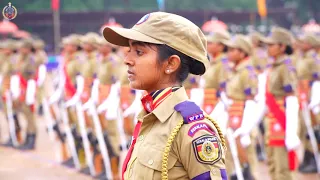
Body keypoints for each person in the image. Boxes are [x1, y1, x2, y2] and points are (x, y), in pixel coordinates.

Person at [103, 12, 227, 180]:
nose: (127, 59)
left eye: (139, 52)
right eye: (129, 50)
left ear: (170, 64)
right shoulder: (149, 117)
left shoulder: (190, 130)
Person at [221, 34, 257, 180]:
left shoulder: (247, 72)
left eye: (233, 50)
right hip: (233, 115)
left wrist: (246, 127)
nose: (229, 52)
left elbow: (251, 100)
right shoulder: (234, 70)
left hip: (243, 117)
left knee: (245, 154)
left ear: (242, 53)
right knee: (230, 154)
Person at [296, 33, 319, 173]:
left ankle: (313, 158)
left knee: (312, 128)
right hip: (302, 96)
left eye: (303, 42)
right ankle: (307, 157)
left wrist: (313, 100)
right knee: (305, 129)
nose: (300, 44)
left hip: (310, 97)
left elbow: (317, 80)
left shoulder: (313, 59)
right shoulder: (303, 57)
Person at [13, 39, 38, 150]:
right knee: (25, 114)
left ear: (28, 49)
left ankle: (32, 139)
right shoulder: (22, 59)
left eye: (22, 48)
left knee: (30, 116)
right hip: (22, 89)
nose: (20, 50)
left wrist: (30, 95)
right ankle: (27, 138)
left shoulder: (31, 60)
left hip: (28, 89)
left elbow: (32, 77)